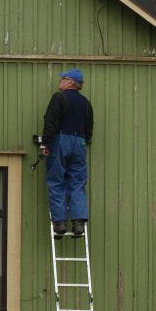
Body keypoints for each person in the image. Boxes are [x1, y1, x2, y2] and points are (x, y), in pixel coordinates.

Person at [39, 68, 94, 238]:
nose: (60, 81)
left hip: (61, 142)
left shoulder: (59, 98)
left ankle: (60, 223)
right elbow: (89, 128)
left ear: (70, 82)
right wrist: (85, 141)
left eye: (63, 78)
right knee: (77, 183)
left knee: (56, 181)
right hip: (80, 143)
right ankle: (78, 224)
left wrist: (46, 143)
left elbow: (51, 121)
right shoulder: (86, 103)